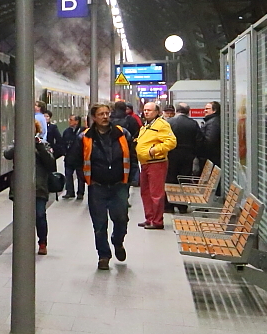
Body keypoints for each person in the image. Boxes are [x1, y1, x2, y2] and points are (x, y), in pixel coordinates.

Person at [82, 103, 134, 270]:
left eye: (107, 113)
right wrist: (86, 179)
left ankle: (118, 241)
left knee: (121, 218)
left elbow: (132, 157)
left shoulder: (122, 134)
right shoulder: (85, 137)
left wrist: (130, 180)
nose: (105, 116)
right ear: (93, 117)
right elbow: (74, 160)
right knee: (99, 224)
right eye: (101, 114)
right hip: (97, 187)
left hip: (119, 185)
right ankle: (103, 256)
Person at [5, 119, 57, 255]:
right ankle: (22, 243)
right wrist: (19, 143)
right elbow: (7, 154)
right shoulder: (17, 144)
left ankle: (42, 242)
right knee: (21, 217)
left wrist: (39, 146)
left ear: (36, 131)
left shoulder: (44, 145)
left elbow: (51, 164)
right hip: (21, 189)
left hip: (39, 187)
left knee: (40, 215)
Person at [136, 101, 178, 229]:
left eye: (149, 110)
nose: (146, 112)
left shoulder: (161, 125)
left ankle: (157, 221)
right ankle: (149, 218)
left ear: (157, 112)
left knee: (156, 193)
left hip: (156, 163)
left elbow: (171, 142)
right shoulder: (146, 125)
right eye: (145, 110)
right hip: (145, 163)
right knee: (145, 192)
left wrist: (154, 150)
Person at [165, 102, 203, 213]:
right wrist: (193, 153)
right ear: (188, 112)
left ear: (176, 111)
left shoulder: (169, 123)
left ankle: (169, 206)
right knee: (184, 180)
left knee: (170, 179)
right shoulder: (193, 124)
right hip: (187, 156)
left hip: (171, 155)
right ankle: (182, 206)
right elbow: (199, 141)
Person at [60, 114, 85, 200]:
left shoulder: (83, 131)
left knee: (80, 176)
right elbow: (62, 142)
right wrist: (64, 152)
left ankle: (80, 193)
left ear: (77, 121)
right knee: (68, 175)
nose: (69, 122)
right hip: (69, 157)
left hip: (79, 158)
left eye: (71, 120)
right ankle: (69, 191)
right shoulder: (67, 131)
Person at [201, 100, 221, 166]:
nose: (205, 111)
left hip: (211, 157)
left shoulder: (213, 123)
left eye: (207, 109)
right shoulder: (213, 121)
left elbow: (210, 141)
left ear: (214, 110)